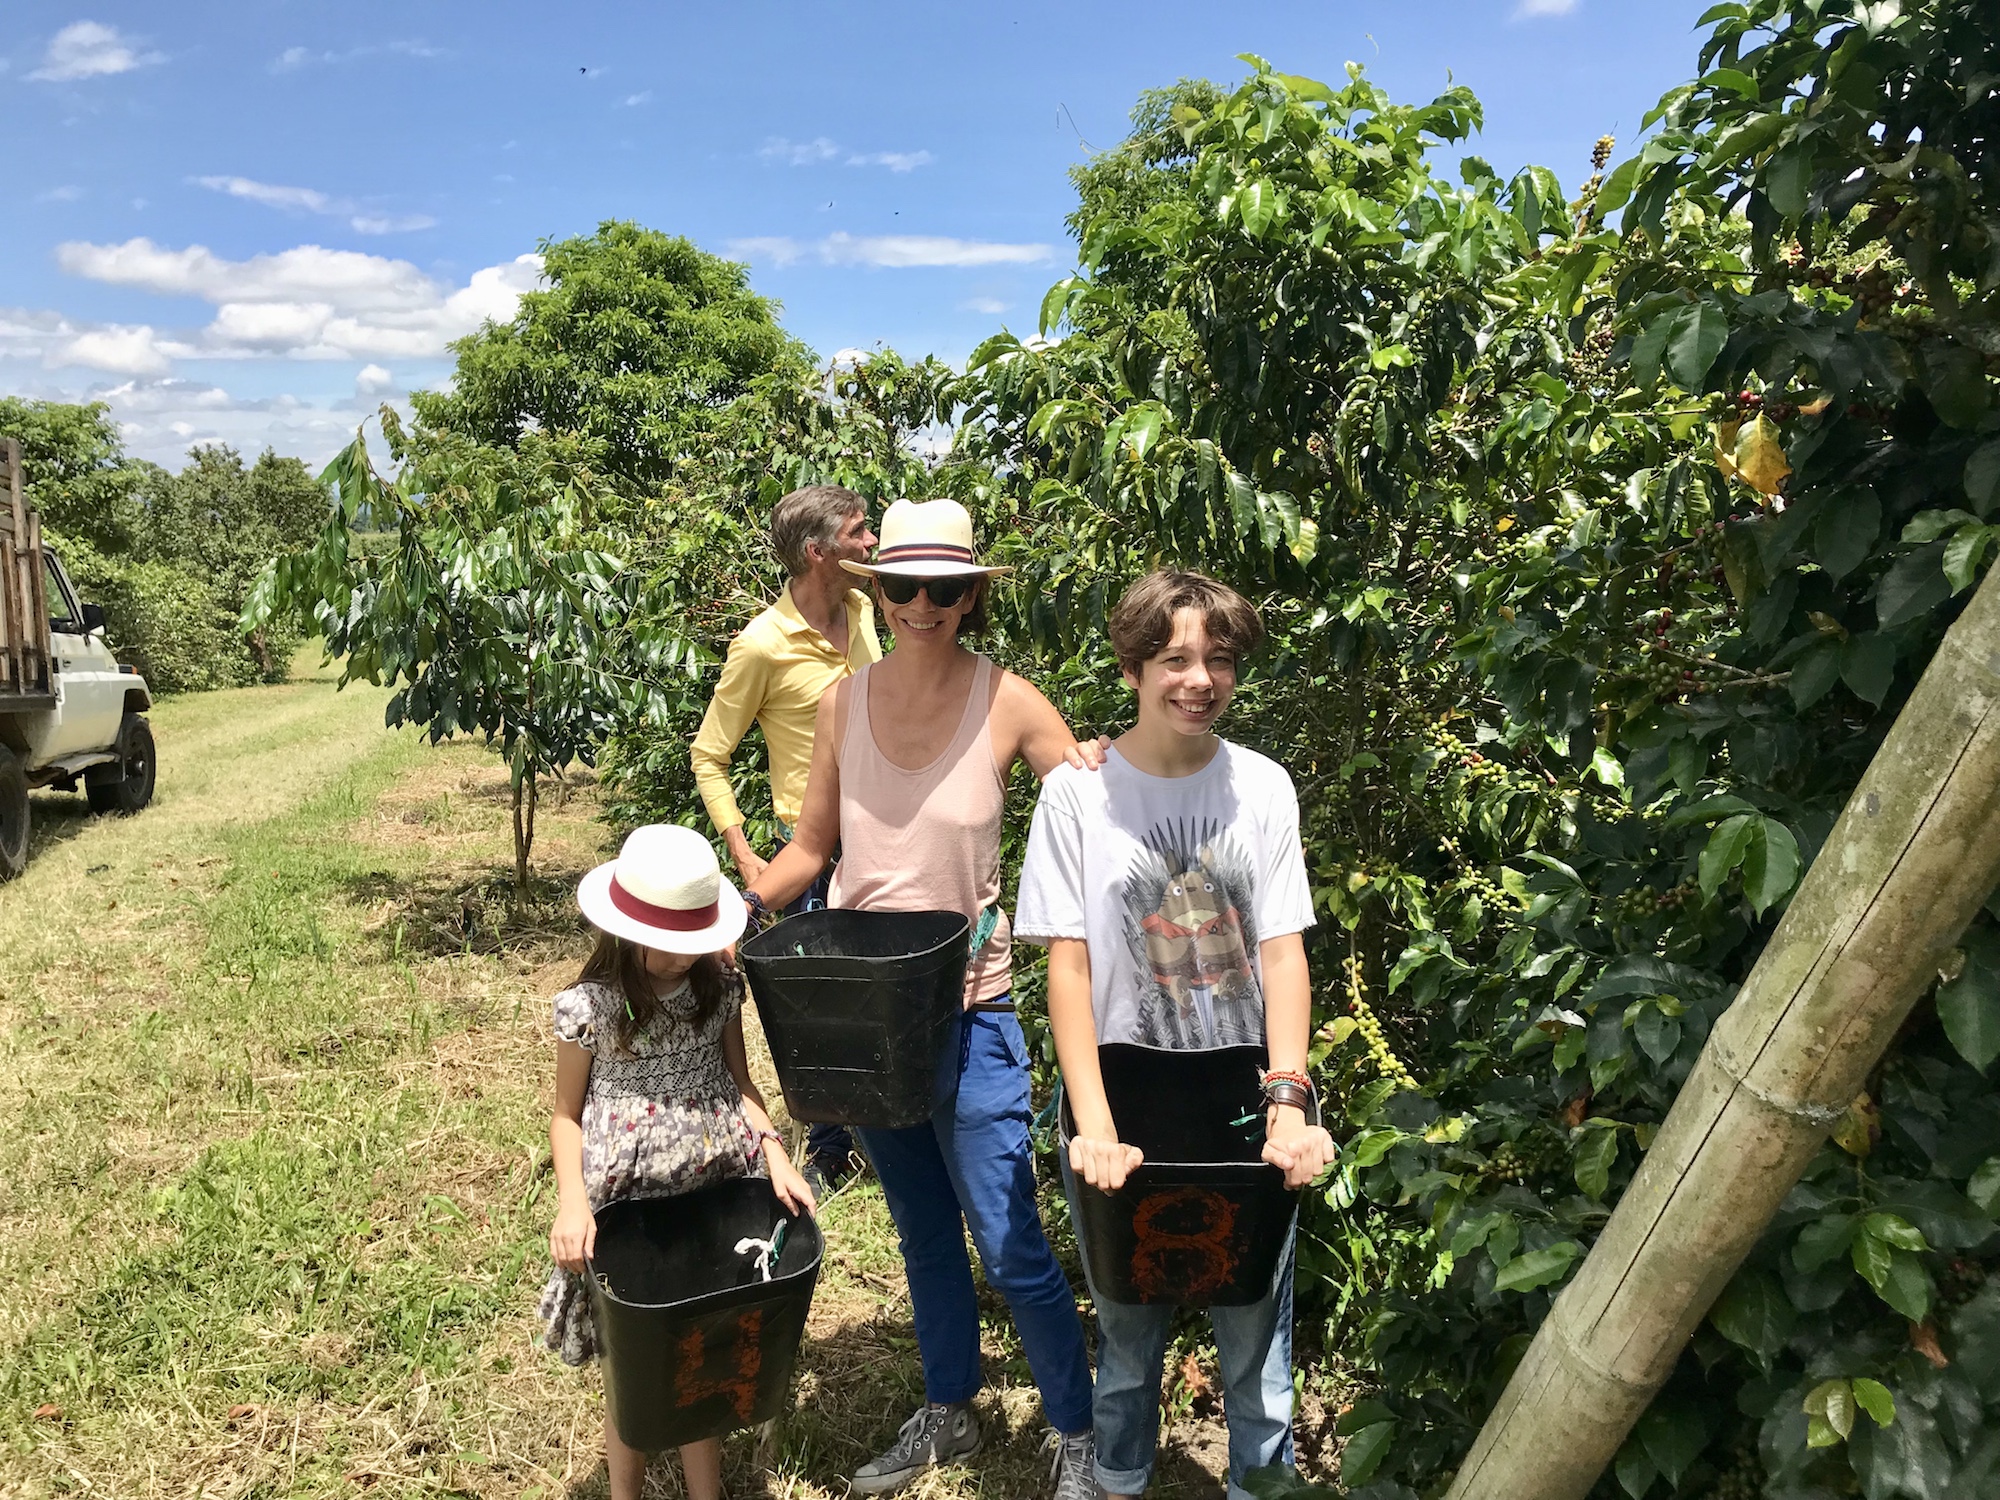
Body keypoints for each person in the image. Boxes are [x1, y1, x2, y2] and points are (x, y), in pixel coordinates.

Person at [742, 498, 1100, 1499]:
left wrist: (1139, 768)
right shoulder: (841, 705)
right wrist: (734, 912)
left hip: (971, 1010)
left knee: (1009, 1239)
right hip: (865, 1016)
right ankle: (951, 1410)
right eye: (903, 584)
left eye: (945, 587)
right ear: (879, 590)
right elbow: (810, 848)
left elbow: (1090, 809)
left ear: (971, 595)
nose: (923, 604)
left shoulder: (1009, 702)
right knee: (922, 1232)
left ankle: (1077, 1430)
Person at [1014, 569, 1338, 1500]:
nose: (1199, 680)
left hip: (1242, 1084)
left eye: (1219, 660)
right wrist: (1093, 1126)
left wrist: (1288, 1100)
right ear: (1133, 669)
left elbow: (1282, 952)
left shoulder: (1262, 787)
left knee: (1255, 1334)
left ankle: (1260, 1484)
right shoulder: (1077, 796)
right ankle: (1116, 1477)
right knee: (1127, 1327)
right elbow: (1070, 967)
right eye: (1174, 659)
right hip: (1123, 1082)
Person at [540, 823, 815, 1500]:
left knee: (702, 1345)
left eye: (693, 940)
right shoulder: (591, 1007)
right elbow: (566, 1115)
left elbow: (740, 1083)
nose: (680, 956)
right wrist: (572, 1203)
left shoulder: (717, 987)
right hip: (628, 1202)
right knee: (633, 1367)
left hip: (710, 1191)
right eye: (667, 942)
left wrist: (774, 1153)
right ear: (626, 930)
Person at [692, 484, 879, 1198]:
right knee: (819, 1003)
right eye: (859, 532)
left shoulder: (868, 610)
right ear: (817, 550)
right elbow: (709, 754)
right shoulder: (762, 645)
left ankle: (883, 1130)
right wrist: (743, 852)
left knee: (878, 991)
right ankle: (831, 1151)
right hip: (808, 851)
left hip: (881, 838)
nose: (872, 543)